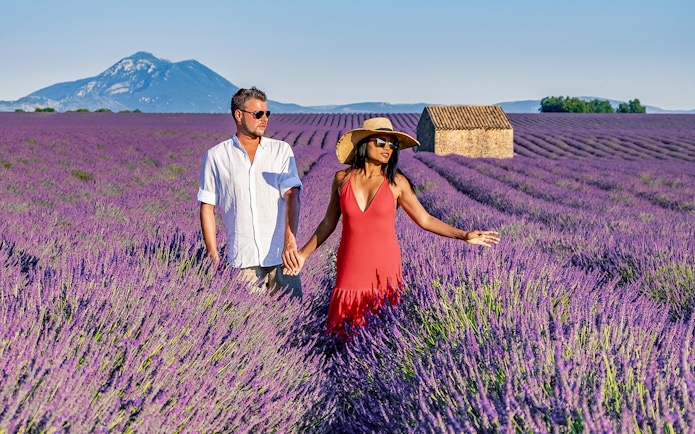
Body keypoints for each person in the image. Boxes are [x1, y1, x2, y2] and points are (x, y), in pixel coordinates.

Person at [283, 117, 499, 338]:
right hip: (350, 262)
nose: (388, 148)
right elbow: (329, 222)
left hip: (384, 264)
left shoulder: (397, 182)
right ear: (364, 143)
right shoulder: (342, 179)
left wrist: (464, 235)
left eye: (392, 144)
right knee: (343, 330)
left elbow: (424, 219)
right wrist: (302, 255)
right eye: (381, 142)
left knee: (380, 328)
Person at [197, 87, 303, 298]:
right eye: (258, 114)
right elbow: (207, 206)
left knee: (297, 322)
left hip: (282, 258)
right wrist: (213, 255)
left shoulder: (280, 151)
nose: (265, 119)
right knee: (245, 326)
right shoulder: (217, 156)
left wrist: (290, 240)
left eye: (267, 114)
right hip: (242, 260)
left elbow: (293, 196)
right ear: (239, 115)